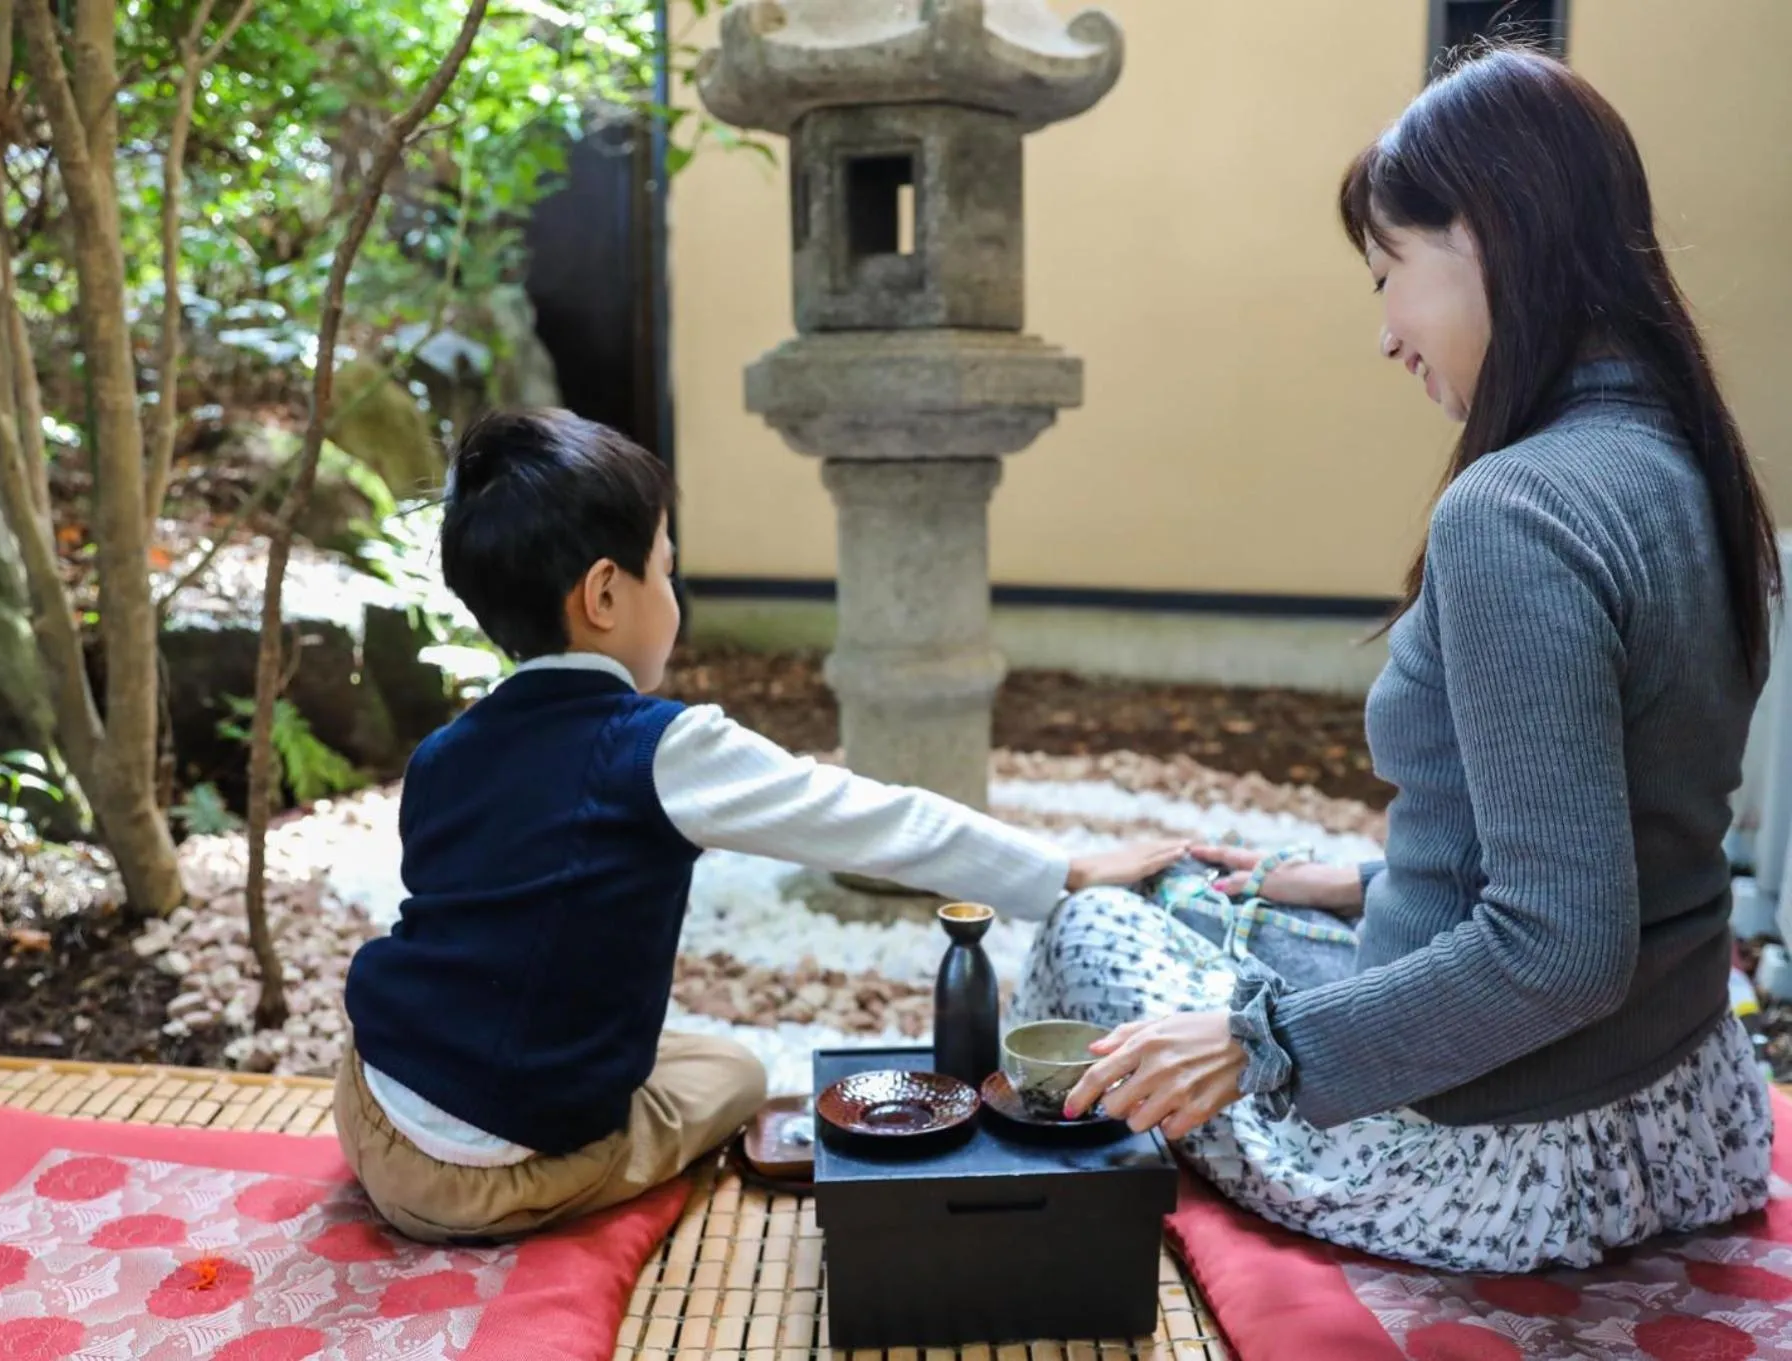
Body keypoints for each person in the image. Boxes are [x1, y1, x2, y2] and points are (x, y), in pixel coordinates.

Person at [1012, 46, 1781, 1273]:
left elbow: (1560, 946)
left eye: (1390, 274)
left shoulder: (1516, 510)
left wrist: (1259, 1045)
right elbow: (1611, 842)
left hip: (1506, 1162)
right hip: (1685, 1117)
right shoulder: (1691, 468)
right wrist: (1348, 884)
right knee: (1208, 897)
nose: (1385, 333)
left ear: (1495, 237)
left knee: (1095, 923)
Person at [334, 408, 1185, 1243]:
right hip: (487, 1177)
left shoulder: (443, 753)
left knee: (667, 1051)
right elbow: (876, 818)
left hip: (371, 1101)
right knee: (736, 1072)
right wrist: (1064, 871)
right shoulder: (658, 748)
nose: (673, 593)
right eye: (664, 572)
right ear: (603, 593)